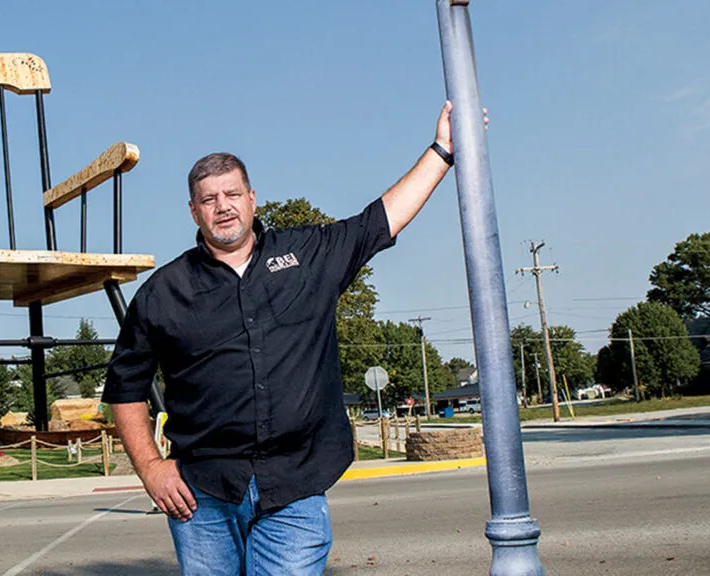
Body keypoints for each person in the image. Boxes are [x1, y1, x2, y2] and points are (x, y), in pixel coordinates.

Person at [103, 101, 464, 575]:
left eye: (231, 194)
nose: (223, 206)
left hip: (294, 485)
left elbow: (380, 221)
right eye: (209, 200)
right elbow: (124, 389)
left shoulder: (307, 256)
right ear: (194, 211)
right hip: (202, 495)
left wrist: (442, 150)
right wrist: (151, 468)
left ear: (252, 198)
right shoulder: (162, 294)